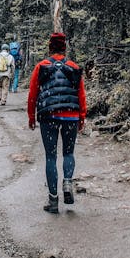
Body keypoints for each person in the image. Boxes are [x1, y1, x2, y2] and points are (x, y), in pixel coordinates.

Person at [27, 32, 86, 214]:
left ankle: (53, 202)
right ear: (64, 47)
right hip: (71, 115)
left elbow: (32, 94)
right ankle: (67, 182)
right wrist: (82, 116)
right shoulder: (73, 67)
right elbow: (81, 94)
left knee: (50, 156)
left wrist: (31, 116)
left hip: (48, 114)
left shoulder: (42, 67)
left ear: (50, 47)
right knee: (68, 152)